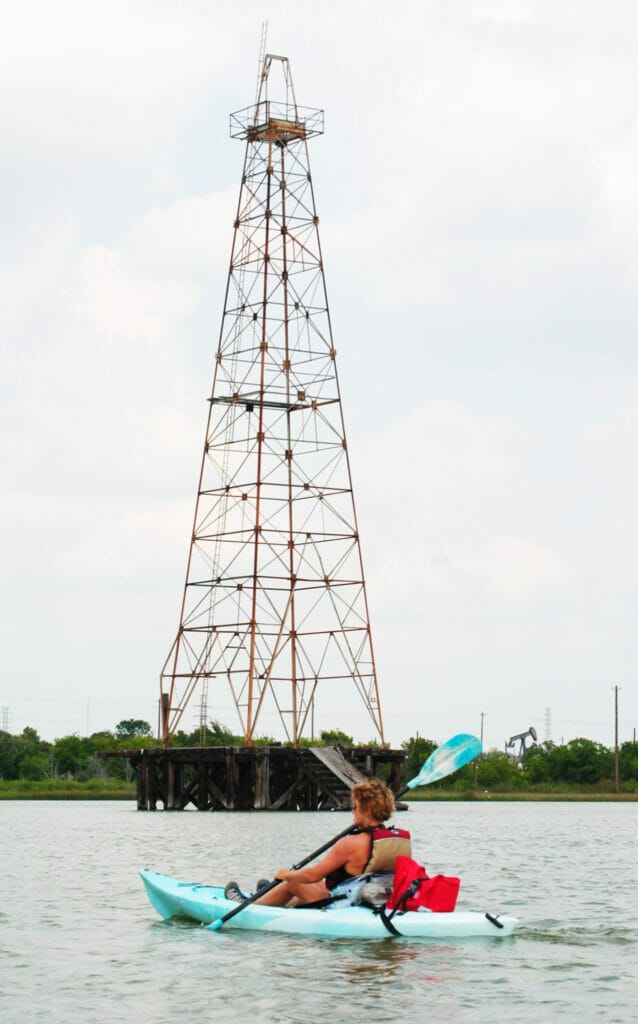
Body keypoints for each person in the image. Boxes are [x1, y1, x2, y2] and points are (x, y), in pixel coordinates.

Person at [225, 777, 411, 908]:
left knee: (293, 883)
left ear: (368, 809)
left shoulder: (350, 843)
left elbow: (312, 875)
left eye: (355, 806)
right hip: (366, 899)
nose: (352, 811)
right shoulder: (395, 838)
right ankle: (271, 895)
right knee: (316, 887)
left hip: (340, 905)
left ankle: (250, 905)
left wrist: (286, 875)